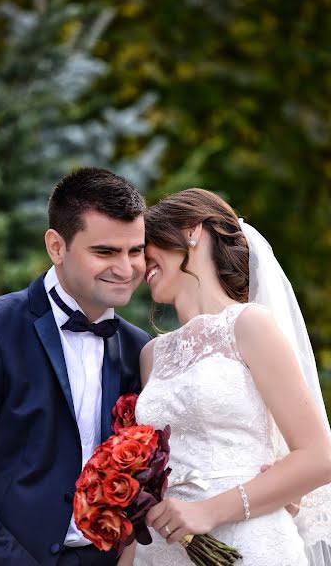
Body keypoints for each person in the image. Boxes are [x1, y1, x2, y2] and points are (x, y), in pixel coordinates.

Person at [0, 168, 150, 566]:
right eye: (105, 252)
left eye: (135, 251)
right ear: (56, 246)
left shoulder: (141, 349)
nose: (125, 268)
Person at [119, 188, 331, 566]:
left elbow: (319, 456)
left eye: (147, 246)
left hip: (248, 545)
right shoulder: (152, 355)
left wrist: (209, 512)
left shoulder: (250, 326)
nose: (139, 262)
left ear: (191, 231)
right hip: (163, 552)